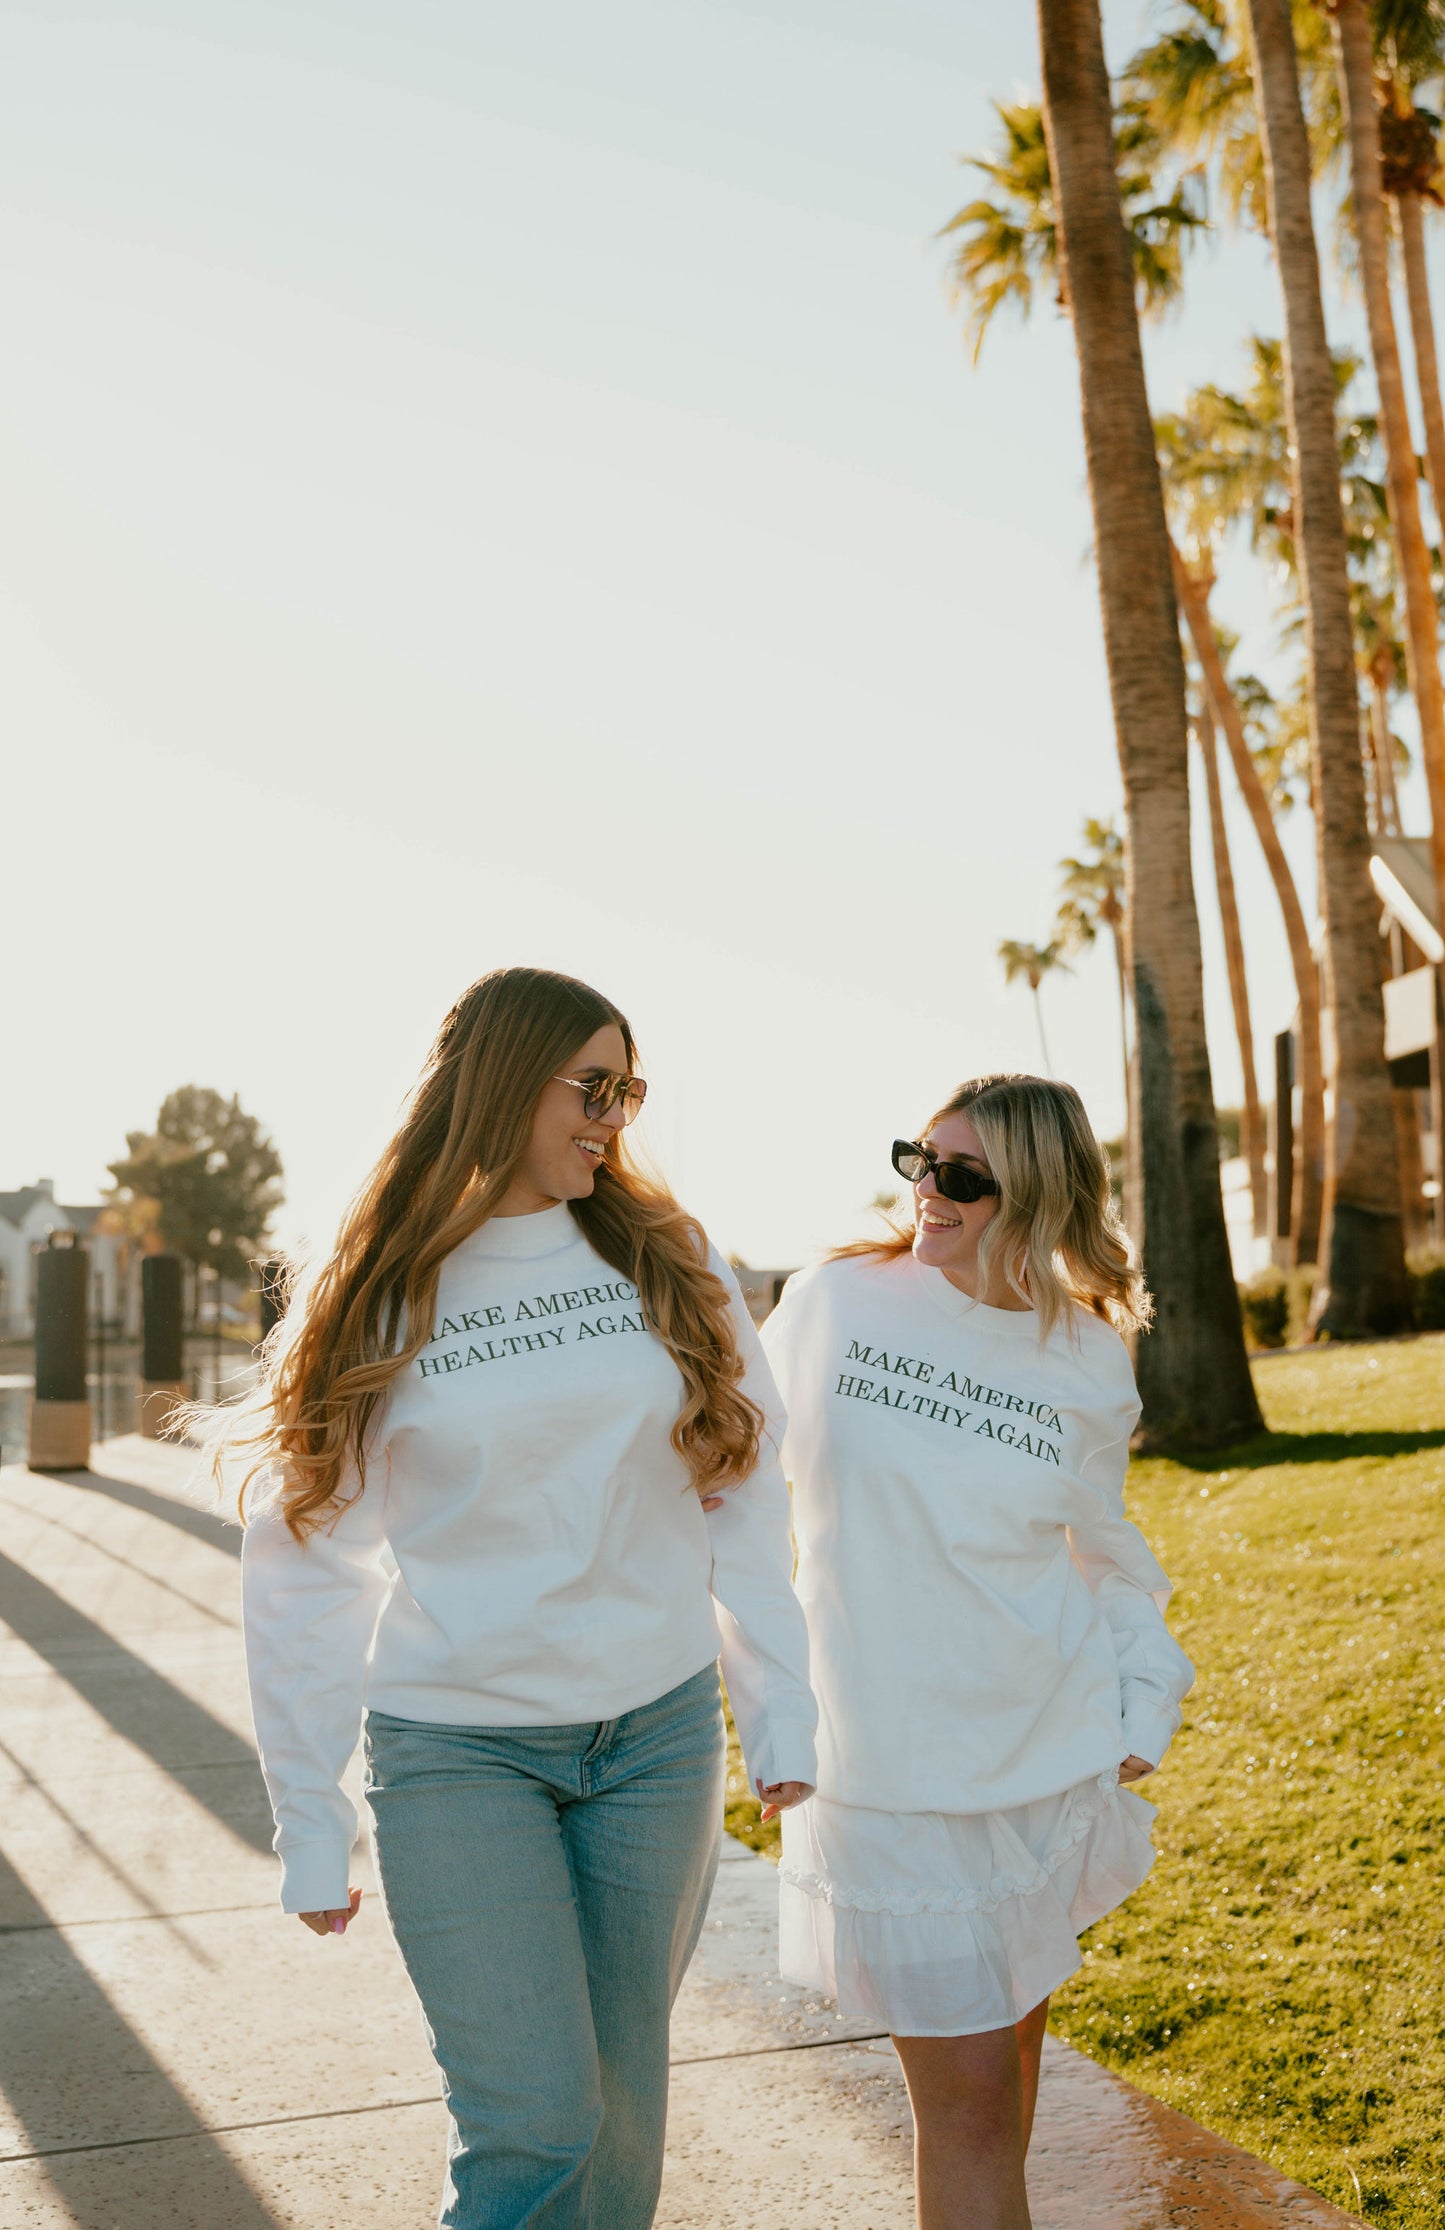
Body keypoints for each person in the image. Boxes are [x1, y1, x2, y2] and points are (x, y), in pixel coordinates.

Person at [235, 966, 816, 2230]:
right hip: (459, 1755)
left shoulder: (668, 1256)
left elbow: (745, 1488)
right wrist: (310, 1816)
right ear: (502, 1082)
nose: (614, 1116)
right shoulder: (381, 1286)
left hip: (654, 1740)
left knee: (614, 2138)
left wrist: (778, 1710)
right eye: (591, 1087)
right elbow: (304, 1567)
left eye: (628, 1089)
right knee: (534, 2128)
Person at [760, 1073, 1193, 2230]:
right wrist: (764, 1706)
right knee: (961, 2113)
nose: (926, 1193)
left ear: (1039, 1197)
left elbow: (1102, 1550)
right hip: (889, 1779)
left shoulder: (1088, 1359)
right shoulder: (835, 1304)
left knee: (997, 2102)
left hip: (1040, 1758)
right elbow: (730, 1490)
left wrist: (1141, 1706)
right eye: (919, 1160)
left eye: (961, 1177)